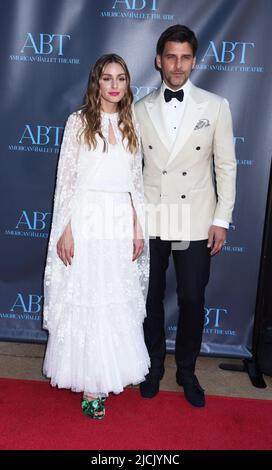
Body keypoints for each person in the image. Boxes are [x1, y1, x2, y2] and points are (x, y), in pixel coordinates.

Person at [42, 54, 150, 419]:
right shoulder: (78, 123)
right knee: (86, 296)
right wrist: (66, 229)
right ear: (97, 82)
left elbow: (136, 183)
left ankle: (107, 375)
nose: (115, 85)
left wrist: (138, 228)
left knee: (113, 298)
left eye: (121, 78)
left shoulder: (131, 122)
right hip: (86, 218)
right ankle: (91, 384)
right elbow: (65, 182)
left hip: (119, 219)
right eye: (108, 78)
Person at [135, 25, 236, 407]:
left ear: (194, 60)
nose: (177, 65)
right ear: (159, 61)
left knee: (193, 299)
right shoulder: (139, 108)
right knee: (150, 299)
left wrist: (221, 219)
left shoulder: (215, 106)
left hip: (195, 218)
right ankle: (154, 366)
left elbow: (226, 166)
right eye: (170, 57)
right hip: (153, 216)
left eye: (185, 57)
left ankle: (187, 371)